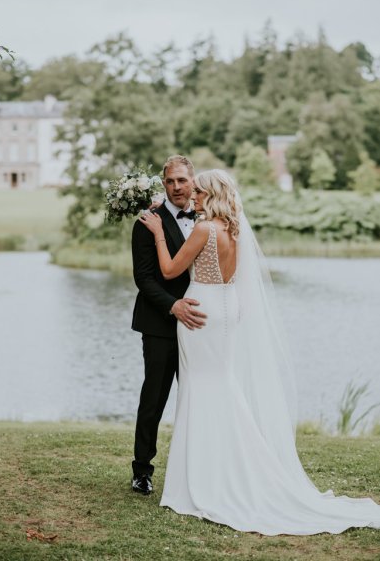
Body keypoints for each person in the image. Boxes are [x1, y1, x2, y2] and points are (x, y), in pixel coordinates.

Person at [139, 168, 380, 535]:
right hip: (228, 308)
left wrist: (158, 234)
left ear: (212, 193)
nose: (194, 196)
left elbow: (171, 271)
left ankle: (207, 478)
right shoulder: (234, 228)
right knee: (221, 384)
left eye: (199, 191)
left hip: (201, 312)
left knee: (202, 387)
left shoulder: (205, 228)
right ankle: (225, 468)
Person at [131, 155, 207, 495]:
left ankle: (200, 466)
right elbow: (144, 279)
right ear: (164, 184)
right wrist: (172, 305)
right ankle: (142, 470)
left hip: (200, 324)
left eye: (182, 180)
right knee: (154, 397)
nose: (177, 187)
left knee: (200, 395)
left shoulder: (208, 217)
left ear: (193, 181)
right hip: (160, 323)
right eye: (170, 181)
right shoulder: (148, 221)